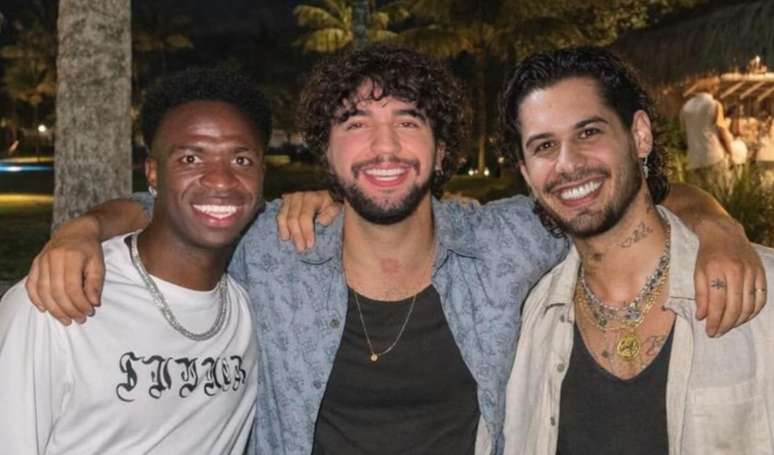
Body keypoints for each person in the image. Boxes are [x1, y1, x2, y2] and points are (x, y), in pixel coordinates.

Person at [25, 45, 764, 455]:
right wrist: (84, 228)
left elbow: (612, 193)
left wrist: (718, 227)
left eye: (408, 121)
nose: (384, 146)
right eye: (356, 124)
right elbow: (183, 204)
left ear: (441, 150)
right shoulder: (275, 248)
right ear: (326, 151)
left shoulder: (503, 241)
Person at [500, 46, 773, 454]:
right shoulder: (529, 322)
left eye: (588, 133)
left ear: (639, 135)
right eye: (544, 146)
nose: (568, 164)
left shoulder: (761, 293)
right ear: (526, 174)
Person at [0, 68, 270, 453]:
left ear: (262, 175)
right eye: (191, 158)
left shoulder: (255, 312)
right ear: (153, 173)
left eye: (241, 160)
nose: (221, 180)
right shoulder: (56, 300)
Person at [680, 88, 734, 187]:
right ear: (713, 89)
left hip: (694, 159)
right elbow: (721, 132)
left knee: (699, 193)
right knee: (716, 192)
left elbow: (684, 134)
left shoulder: (686, 107)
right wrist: (730, 153)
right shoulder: (714, 104)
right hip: (714, 157)